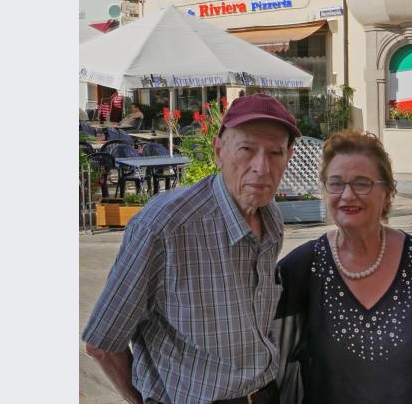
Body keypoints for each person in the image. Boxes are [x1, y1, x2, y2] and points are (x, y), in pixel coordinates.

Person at [83, 93, 301, 404]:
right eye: (247, 149)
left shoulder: (271, 218)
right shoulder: (165, 225)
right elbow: (102, 343)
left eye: (275, 153)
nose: (262, 167)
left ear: (288, 157)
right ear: (219, 151)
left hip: (265, 393)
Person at [275, 131, 412, 404]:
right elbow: (267, 360)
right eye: (336, 183)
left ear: (387, 193)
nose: (347, 195)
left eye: (362, 183)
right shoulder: (302, 268)